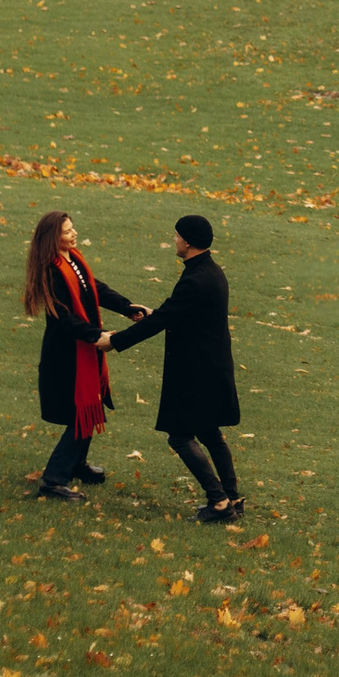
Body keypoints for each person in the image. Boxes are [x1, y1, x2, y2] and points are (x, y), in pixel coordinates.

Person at [101, 212, 241, 522]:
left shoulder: (195, 279)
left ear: (188, 242)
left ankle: (219, 502)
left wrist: (115, 341)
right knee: (209, 432)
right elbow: (181, 313)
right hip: (212, 368)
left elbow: (166, 319)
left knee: (179, 436)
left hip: (195, 372)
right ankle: (232, 497)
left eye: (177, 235)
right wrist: (155, 313)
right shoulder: (210, 271)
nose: (174, 240)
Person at [21, 210, 146, 502]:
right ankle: (54, 480)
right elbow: (62, 319)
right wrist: (95, 335)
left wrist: (126, 307)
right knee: (81, 414)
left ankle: (76, 464)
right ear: (53, 238)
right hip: (65, 356)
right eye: (67, 231)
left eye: (72, 228)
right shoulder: (52, 272)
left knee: (90, 407)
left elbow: (94, 288)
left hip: (82, 350)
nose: (74, 233)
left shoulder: (73, 260)